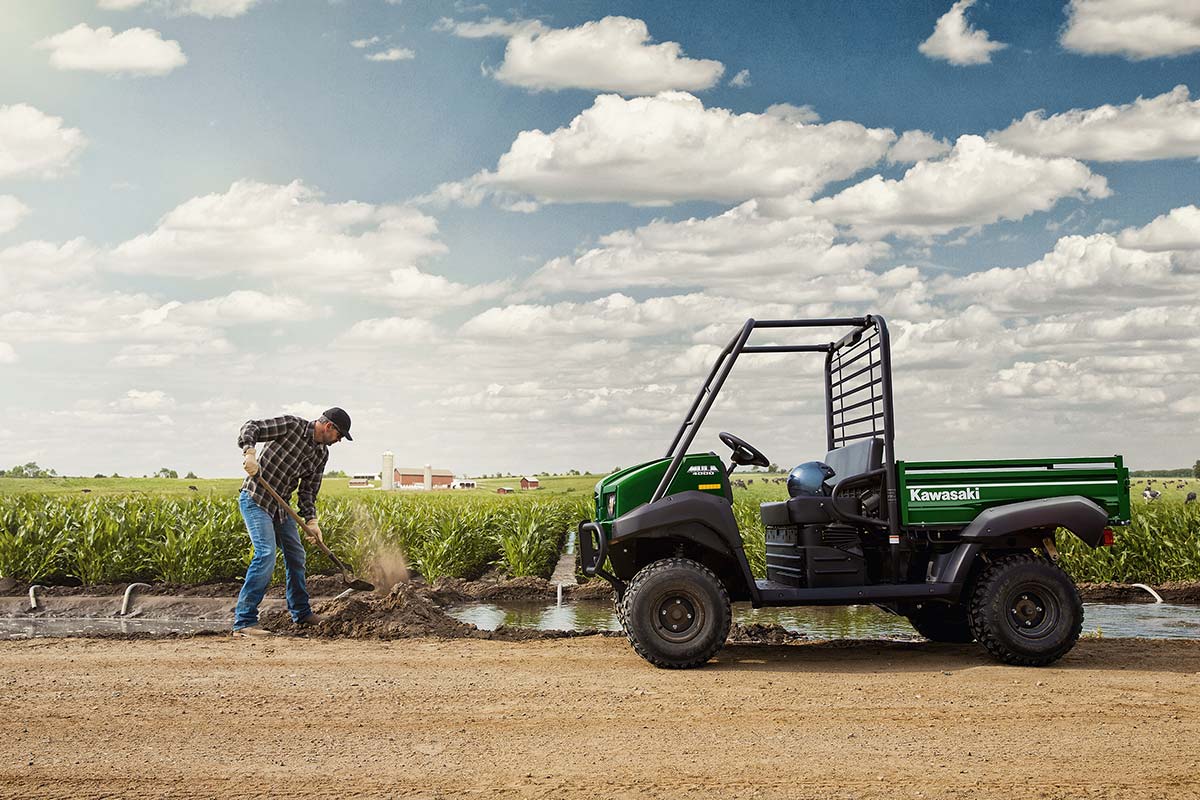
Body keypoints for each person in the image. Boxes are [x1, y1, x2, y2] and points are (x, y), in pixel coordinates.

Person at [232, 407, 352, 637]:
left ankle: (301, 613)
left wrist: (312, 521)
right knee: (265, 554)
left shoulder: (321, 454)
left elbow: (308, 492)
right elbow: (251, 427)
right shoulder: (291, 426)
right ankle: (244, 622)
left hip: (281, 509)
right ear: (329, 427)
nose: (338, 441)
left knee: (297, 555)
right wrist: (249, 453)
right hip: (256, 500)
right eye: (339, 436)